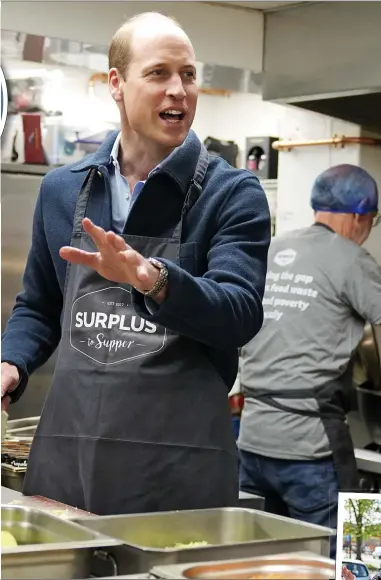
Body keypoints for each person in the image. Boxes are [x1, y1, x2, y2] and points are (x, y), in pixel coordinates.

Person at [0, 12, 271, 515]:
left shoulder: (231, 193)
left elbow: (239, 313)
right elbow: (39, 305)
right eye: (159, 73)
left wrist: (156, 280)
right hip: (69, 464)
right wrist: (11, 362)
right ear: (116, 84)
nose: (179, 90)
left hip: (177, 476)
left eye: (188, 75)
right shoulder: (62, 190)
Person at [236, 164, 381, 558]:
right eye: (373, 220)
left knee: (265, 561)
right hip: (309, 451)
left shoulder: (272, 248)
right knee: (332, 561)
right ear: (359, 216)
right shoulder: (351, 259)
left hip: (250, 444)